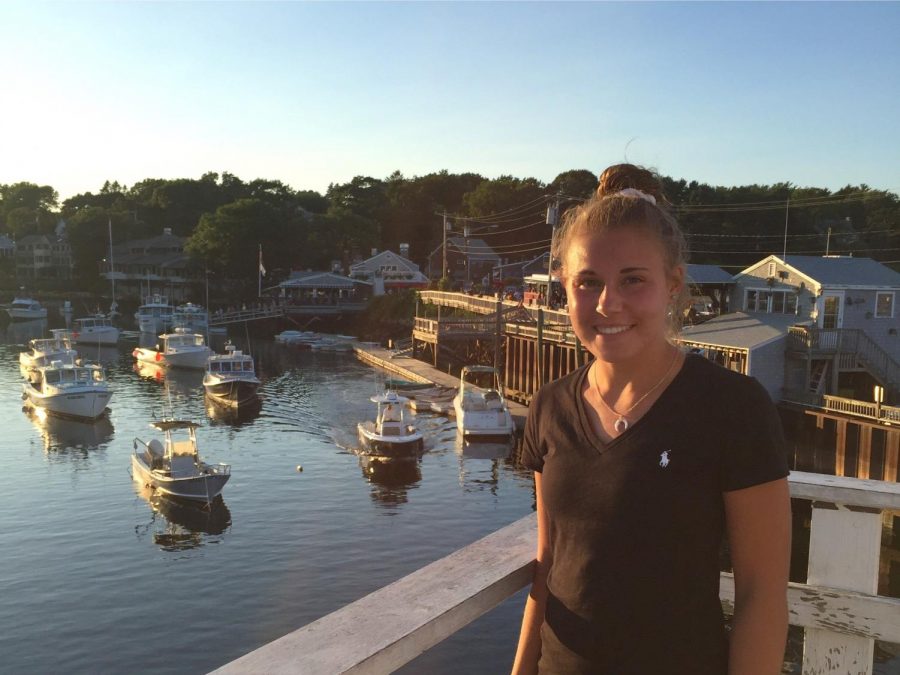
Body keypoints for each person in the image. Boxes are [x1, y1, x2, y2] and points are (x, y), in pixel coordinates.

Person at [512, 164, 791, 675]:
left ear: (672, 284)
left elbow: (763, 594)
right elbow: (549, 567)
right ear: (565, 288)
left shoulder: (732, 408)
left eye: (632, 280)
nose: (606, 302)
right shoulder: (549, 406)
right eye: (587, 282)